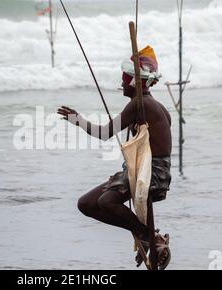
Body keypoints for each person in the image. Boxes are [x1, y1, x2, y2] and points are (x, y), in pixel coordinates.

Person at [57, 46, 172, 269]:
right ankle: (145, 234)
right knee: (86, 204)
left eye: (125, 77)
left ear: (135, 82)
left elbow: (104, 133)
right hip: (140, 169)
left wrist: (77, 119)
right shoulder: (145, 105)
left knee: (106, 202)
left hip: (152, 173)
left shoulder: (142, 104)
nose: (121, 81)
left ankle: (148, 235)